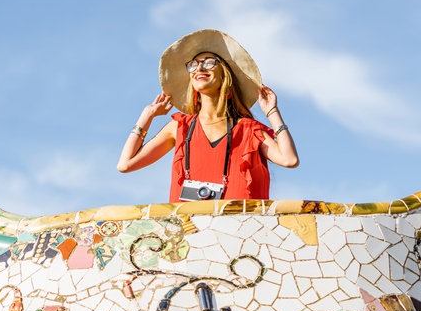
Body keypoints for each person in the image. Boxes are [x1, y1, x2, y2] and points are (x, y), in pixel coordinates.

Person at [116, 29, 299, 202]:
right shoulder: (180, 126)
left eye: (209, 62)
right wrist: (147, 116)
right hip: (190, 229)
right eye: (194, 64)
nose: (199, 68)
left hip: (237, 228)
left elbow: (289, 159)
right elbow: (126, 164)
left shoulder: (249, 129)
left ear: (225, 76)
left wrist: (272, 112)